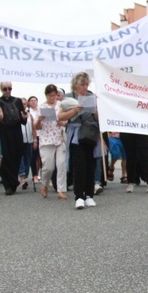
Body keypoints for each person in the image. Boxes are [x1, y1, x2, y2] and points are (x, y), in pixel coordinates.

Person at [58, 72, 100, 210]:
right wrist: (76, 110)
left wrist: (96, 109)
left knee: (90, 164)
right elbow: (61, 116)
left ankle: (89, 195)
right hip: (76, 134)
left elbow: (98, 119)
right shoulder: (68, 97)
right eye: (82, 84)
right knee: (79, 165)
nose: (85, 87)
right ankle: (79, 196)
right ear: (76, 84)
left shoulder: (90, 96)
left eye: (87, 84)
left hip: (90, 133)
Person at [35, 84, 67, 200]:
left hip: (59, 138)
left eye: (54, 95)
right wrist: (39, 120)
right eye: (50, 96)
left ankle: (61, 190)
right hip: (46, 139)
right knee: (48, 167)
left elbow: (66, 120)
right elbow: (37, 127)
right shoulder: (41, 107)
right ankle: (44, 183)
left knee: (61, 164)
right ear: (46, 95)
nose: (52, 98)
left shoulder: (61, 105)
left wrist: (62, 122)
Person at [0, 82, 26, 195]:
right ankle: (8, 184)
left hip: (16, 132)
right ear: (1, 89)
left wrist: (24, 117)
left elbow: (23, 120)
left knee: (17, 156)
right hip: (3, 132)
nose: (8, 91)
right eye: (5, 89)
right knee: (5, 158)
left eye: (9, 88)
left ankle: (13, 181)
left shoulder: (17, 101)